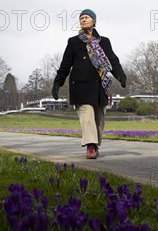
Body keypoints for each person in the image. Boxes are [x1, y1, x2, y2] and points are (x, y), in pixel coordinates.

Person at [52, 9, 126, 159]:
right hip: (80, 85)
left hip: (100, 86)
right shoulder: (73, 42)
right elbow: (65, 65)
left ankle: (95, 144)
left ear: (94, 21)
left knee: (99, 118)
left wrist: (120, 75)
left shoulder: (104, 41)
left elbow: (112, 60)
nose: (83, 20)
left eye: (86, 17)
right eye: (81, 18)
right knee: (87, 116)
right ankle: (90, 146)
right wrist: (57, 83)